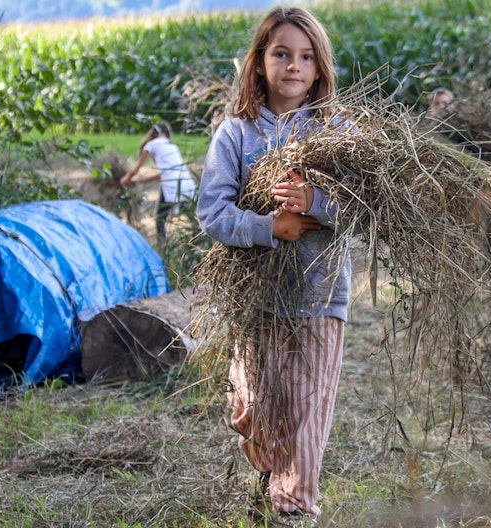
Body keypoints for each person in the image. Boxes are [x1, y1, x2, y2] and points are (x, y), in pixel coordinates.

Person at [195, 6, 347, 521]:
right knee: (252, 404)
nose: (294, 66)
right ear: (259, 61)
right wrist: (269, 228)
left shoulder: (338, 132)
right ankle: (270, 470)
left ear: (320, 67)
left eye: (306, 56)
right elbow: (212, 211)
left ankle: (293, 506)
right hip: (256, 296)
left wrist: (315, 202)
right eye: (281, 53)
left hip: (320, 293)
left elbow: (367, 209)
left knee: (308, 410)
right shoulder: (235, 133)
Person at [119, 120, 197, 245]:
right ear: (166, 133)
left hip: (171, 185)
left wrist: (126, 179)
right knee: (189, 214)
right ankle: (198, 240)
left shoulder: (150, 145)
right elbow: (162, 174)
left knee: (160, 217)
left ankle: (162, 244)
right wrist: (140, 181)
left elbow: (136, 169)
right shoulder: (171, 145)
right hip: (185, 182)